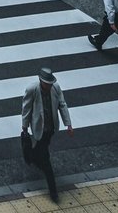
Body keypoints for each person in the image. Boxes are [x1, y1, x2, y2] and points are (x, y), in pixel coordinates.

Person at [21, 68, 74, 203]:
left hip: (51, 128)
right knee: (46, 160)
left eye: (50, 83)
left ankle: (32, 157)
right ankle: (53, 192)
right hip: (39, 127)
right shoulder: (32, 89)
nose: (49, 86)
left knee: (41, 149)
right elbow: (26, 108)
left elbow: (62, 104)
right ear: (40, 81)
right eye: (46, 84)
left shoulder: (55, 88)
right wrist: (25, 126)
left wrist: (68, 124)